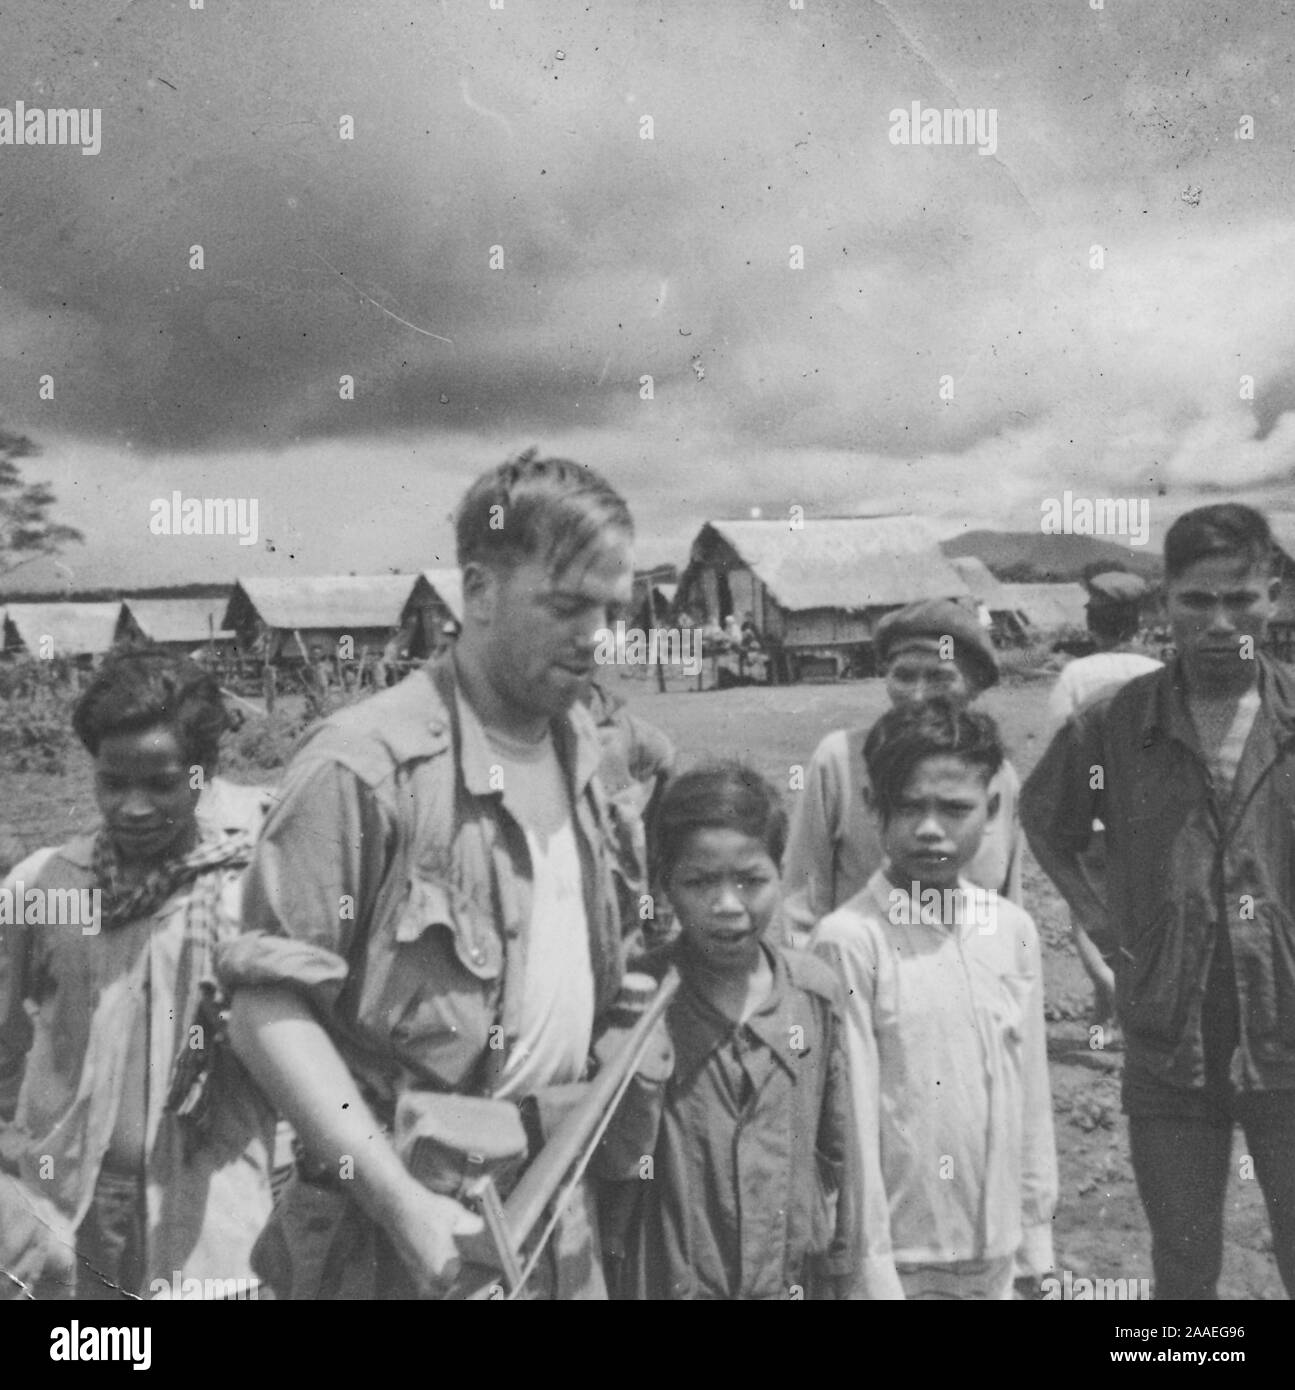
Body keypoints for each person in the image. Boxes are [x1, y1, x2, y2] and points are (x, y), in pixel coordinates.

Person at [219, 451, 637, 1300]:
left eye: (612, 610)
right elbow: (264, 1007)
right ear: (478, 591)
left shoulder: (585, 751)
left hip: (555, 1213)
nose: (597, 635)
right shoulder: (367, 766)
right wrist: (403, 1207)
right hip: (393, 1235)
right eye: (566, 606)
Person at [1022, 503, 1295, 1300]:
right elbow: (1046, 819)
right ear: (1163, 601)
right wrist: (1099, 918)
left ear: (1273, 596)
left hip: (1289, 1026)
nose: (1220, 623)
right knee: (1182, 1259)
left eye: (1239, 599)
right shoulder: (1115, 723)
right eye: (1195, 601)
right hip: (1169, 1031)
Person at [0, 649, 275, 1299]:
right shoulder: (45, 887)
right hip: (68, 1210)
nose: (133, 807)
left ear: (204, 775)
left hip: (213, 1210)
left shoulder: (250, 890)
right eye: (112, 783)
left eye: (162, 784)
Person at [813, 700, 1056, 1300]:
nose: (929, 828)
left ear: (992, 811)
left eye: (954, 809)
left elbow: (1030, 1092)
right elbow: (852, 1122)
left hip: (997, 1250)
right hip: (903, 1257)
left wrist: (1034, 1242)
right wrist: (873, 1274)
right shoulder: (851, 940)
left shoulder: (1011, 930)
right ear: (873, 807)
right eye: (908, 806)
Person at [604, 764, 862, 1299]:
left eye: (750, 880)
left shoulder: (814, 995)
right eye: (699, 882)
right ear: (665, 884)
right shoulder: (638, 999)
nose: (727, 905)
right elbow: (612, 1162)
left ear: (780, 874)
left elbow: (836, 1153)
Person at [782, 598, 1024, 945]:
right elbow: (802, 900)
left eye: (940, 677)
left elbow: (1007, 901)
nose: (918, 695)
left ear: (974, 686)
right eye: (904, 676)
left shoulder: (999, 776)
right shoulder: (840, 760)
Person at [1044, 570, 1163, 1024]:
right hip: (1146, 816)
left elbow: (1060, 746)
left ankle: (1117, 1001)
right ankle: (1116, 1006)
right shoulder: (1158, 673)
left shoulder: (1076, 674)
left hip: (1090, 814)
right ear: (1138, 623)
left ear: (1092, 624)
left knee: (1088, 915)